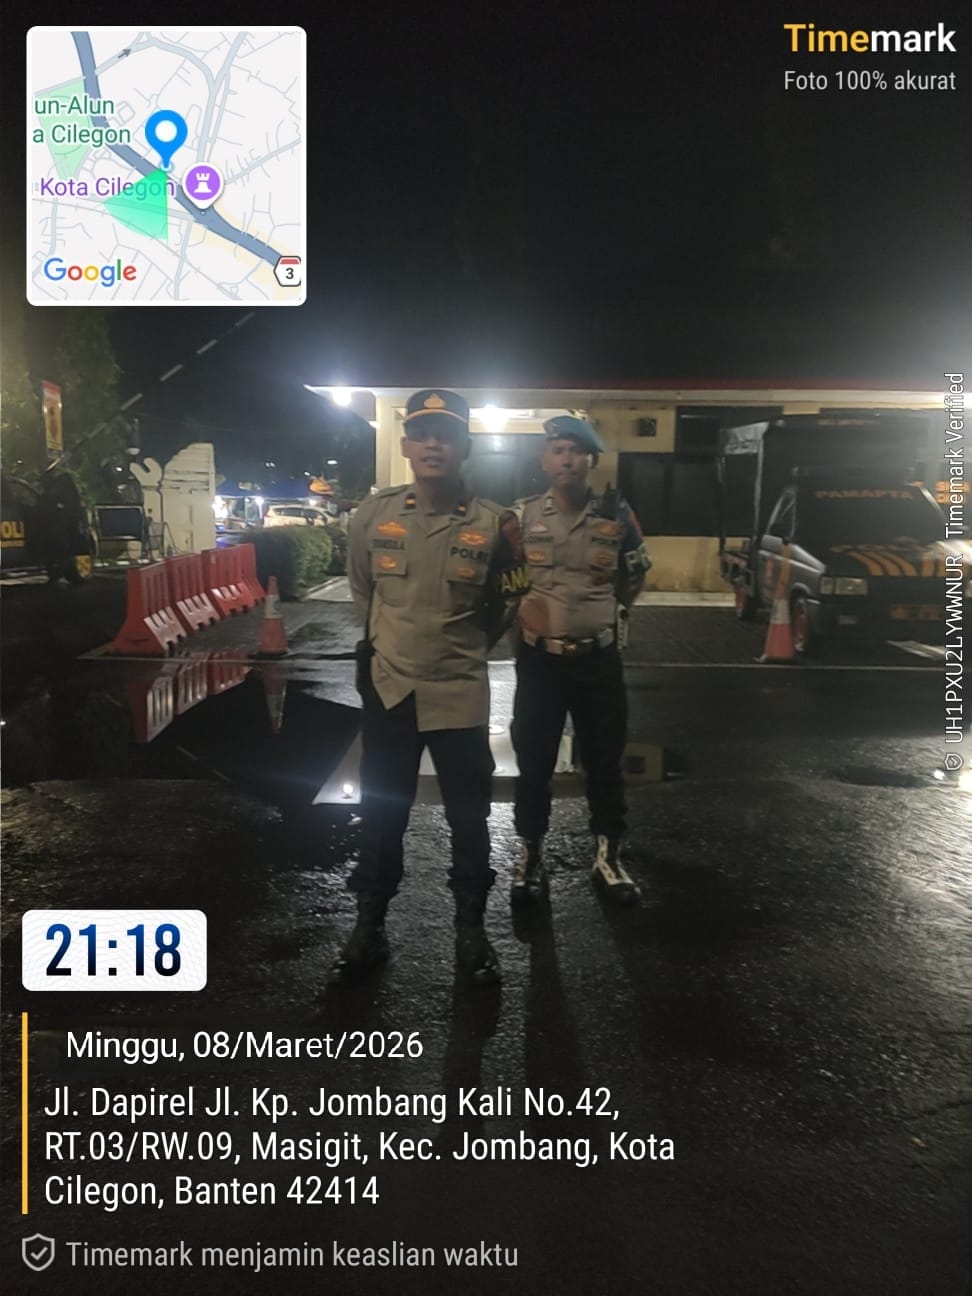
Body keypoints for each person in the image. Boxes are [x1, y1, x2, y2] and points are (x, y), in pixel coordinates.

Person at [331, 389, 530, 988]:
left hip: (458, 693)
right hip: (390, 691)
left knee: (469, 819)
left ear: (465, 445)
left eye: (446, 434)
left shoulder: (497, 525)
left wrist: (458, 649)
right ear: (406, 445)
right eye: (422, 433)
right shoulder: (374, 515)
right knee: (380, 815)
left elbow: (505, 603)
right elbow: (364, 593)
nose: (433, 444)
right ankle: (369, 928)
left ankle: (471, 933)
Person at [510, 414, 651, 905]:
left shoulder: (617, 514)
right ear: (544, 460)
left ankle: (608, 857)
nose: (567, 459)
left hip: (598, 662)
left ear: (591, 460)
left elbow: (634, 575)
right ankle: (530, 854)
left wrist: (605, 614)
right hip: (540, 663)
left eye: (576, 451)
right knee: (533, 763)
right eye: (558, 450)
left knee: (605, 762)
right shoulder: (521, 517)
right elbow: (506, 583)